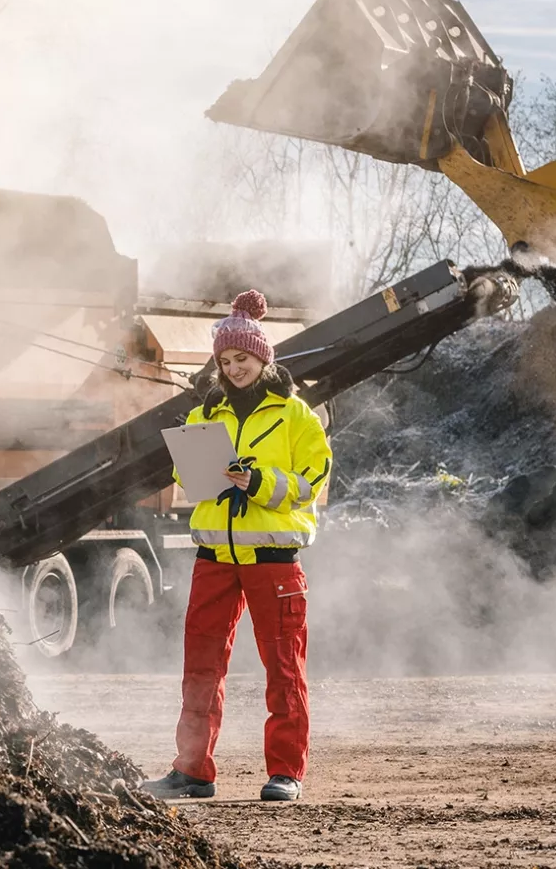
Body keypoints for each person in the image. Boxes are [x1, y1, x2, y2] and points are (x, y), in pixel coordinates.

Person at [140, 289, 332, 803]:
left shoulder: (297, 416)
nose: (233, 367)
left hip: (274, 560)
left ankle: (286, 772)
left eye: (241, 358)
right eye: (224, 361)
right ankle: (193, 771)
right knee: (200, 666)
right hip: (214, 558)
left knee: (284, 667)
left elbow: (312, 479)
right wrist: (195, 460)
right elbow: (189, 478)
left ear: (262, 357)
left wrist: (259, 481)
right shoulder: (211, 410)